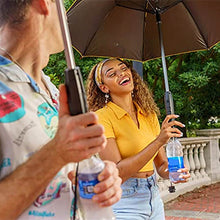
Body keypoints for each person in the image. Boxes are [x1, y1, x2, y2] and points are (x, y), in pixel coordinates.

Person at [0, 1, 122, 220]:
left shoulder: (54, 92)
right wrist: (57, 153)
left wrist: (103, 176)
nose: (66, 15)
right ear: (44, 3)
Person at [86, 58, 191, 220]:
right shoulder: (101, 118)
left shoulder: (148, 114)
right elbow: (118, 172)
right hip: (124, 200)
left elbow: (161, 165)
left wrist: (173, 173)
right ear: (104, 87)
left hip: (153, 196)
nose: (121, 74)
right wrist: (158, 141)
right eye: (112, 74)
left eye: (123, 68)